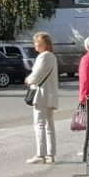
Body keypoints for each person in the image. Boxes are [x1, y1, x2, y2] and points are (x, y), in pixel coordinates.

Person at [24, 31, 60, 164]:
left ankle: (41, 154)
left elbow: (36, 75)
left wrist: (28, 79)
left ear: (43, 44)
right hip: (51, 95)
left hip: (42, 95)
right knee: (49, 125)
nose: (35, 45)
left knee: (39, 124)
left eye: (36, 42)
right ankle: (51, 154)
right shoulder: (52, 56)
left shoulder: (43, 56)